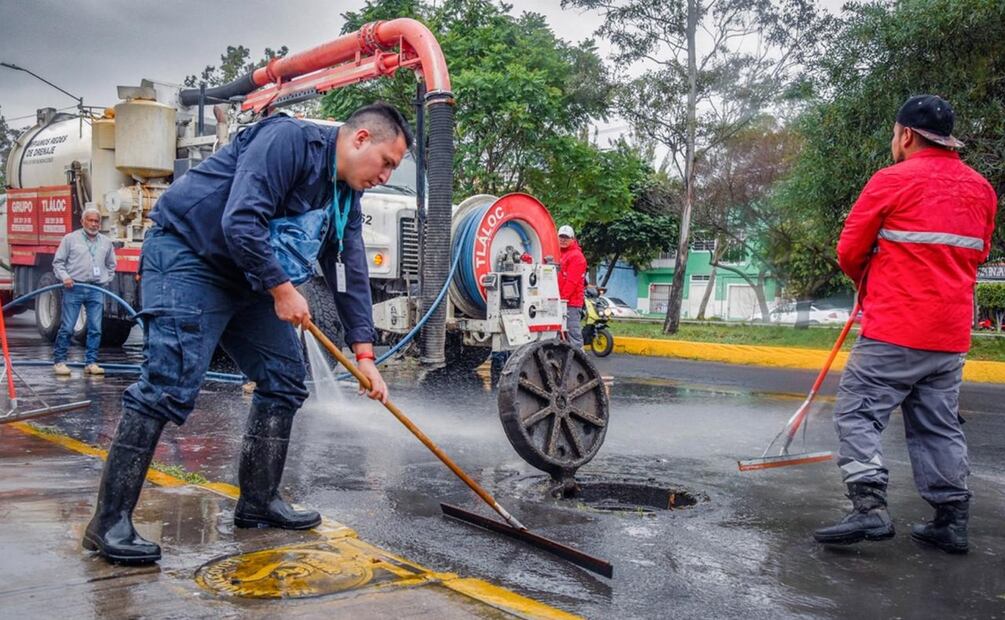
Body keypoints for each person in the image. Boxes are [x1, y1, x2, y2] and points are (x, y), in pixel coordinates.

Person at [82, 103, 410, 565]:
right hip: (189, 257)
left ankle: (259, 503)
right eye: (387, 162)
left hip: (245, 275)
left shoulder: (344, 195)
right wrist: (281, 288)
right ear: (360, 140)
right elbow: (241, 219)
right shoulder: (286, 141)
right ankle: (108, 522)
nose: (386, 175)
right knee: (167, 384)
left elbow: (349, 268)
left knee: (284, 380)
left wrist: (365, 354)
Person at [813, 95, 997, 554]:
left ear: (907, 135)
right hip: (950, 335)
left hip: (896, 327)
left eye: (895, 135)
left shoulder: (892, 180)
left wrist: (867, 281)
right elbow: (980, 254)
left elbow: (849, 250)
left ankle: (869, 508)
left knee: (858, 412)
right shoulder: (982, 188)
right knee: (938, 425)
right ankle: (951, 520)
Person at [51, 207, 116, 376]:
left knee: (96, 328)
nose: (94, 224)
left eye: (97, 221)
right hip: (74, 288)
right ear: (82, 221)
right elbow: (58, 263)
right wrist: (65, 277)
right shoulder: (70, 239)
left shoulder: (106, 242)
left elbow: (111, 265)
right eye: (91, 220)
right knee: (68, 327)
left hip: (96, 289)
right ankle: (59, 362)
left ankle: (91, 362)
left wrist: (105, 279)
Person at [557, 225, 587, 349]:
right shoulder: (557, 253)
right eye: (561, 237)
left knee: (573, 335)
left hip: (571, 304)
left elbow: (572, 282)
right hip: (558, 302)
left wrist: (562, 299)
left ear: (572, 239)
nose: (563, 240)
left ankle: (580, 363)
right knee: (557, 335)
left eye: (566, 237)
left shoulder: (577, 257)